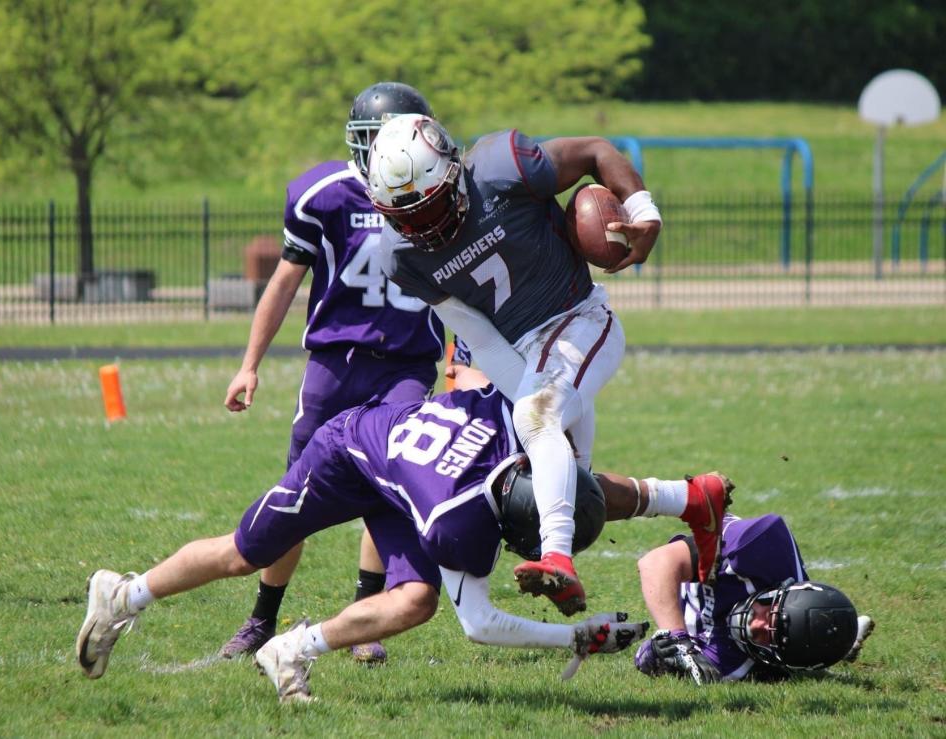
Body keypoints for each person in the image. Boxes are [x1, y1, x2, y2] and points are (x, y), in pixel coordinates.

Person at [75, 370, 732, 704]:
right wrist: (579, 638)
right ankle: (123, 595)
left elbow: (565, 468)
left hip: (406, 470)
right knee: (242, 553)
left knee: (414, 600)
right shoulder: (459, 519)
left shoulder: (514, 423)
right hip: (345, 457)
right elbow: (478, 623)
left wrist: (664, 495)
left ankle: (292, 649)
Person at [365, 113, 680, 618]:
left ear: (452, 171)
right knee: (573, 481)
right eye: (410, 217)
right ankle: (694, 500)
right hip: (521, 352)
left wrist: (645, 213)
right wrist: (534, 412)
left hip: (578, 317)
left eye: (433, 205)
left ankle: (557, 556)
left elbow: (597, 150)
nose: (426, 226)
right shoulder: (402, 254)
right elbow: (480, 341)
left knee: (535, 419)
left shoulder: (498, 167)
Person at [219, 82, 443, 663]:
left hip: (407, 368)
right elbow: (285, 282)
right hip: (334, 366)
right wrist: (249, 365)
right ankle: (262, 618)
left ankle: (362, 620)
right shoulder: (324, 194)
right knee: (296, 490)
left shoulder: (439, 192)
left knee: (389, 488)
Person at [633, 510, 876, 684]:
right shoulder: (758, 548)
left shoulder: (736, 664)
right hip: (701, 565)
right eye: (768, 613)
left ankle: (835, 644)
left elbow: (648, 661)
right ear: (779, 593)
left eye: (763, 638)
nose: (754, 625)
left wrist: (660, 651)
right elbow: (655, 563)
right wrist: (676, 635)